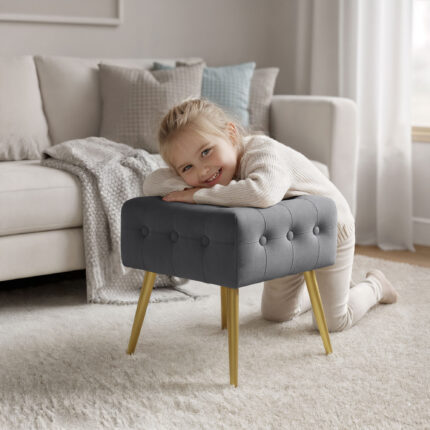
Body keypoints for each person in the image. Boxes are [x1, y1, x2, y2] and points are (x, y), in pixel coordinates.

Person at [143, 98, 399, 332]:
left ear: (231, 134)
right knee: (276, 314)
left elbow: (262, 193)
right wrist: (187, 182)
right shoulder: (209, 172)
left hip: (331, 229)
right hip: (288, 237)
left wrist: (196, 194)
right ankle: (333, 291)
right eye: (187, 167)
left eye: (206, 152)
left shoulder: (262, 151)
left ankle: (375, 285)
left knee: (331, 322)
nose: (203, 171)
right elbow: (151, 183)